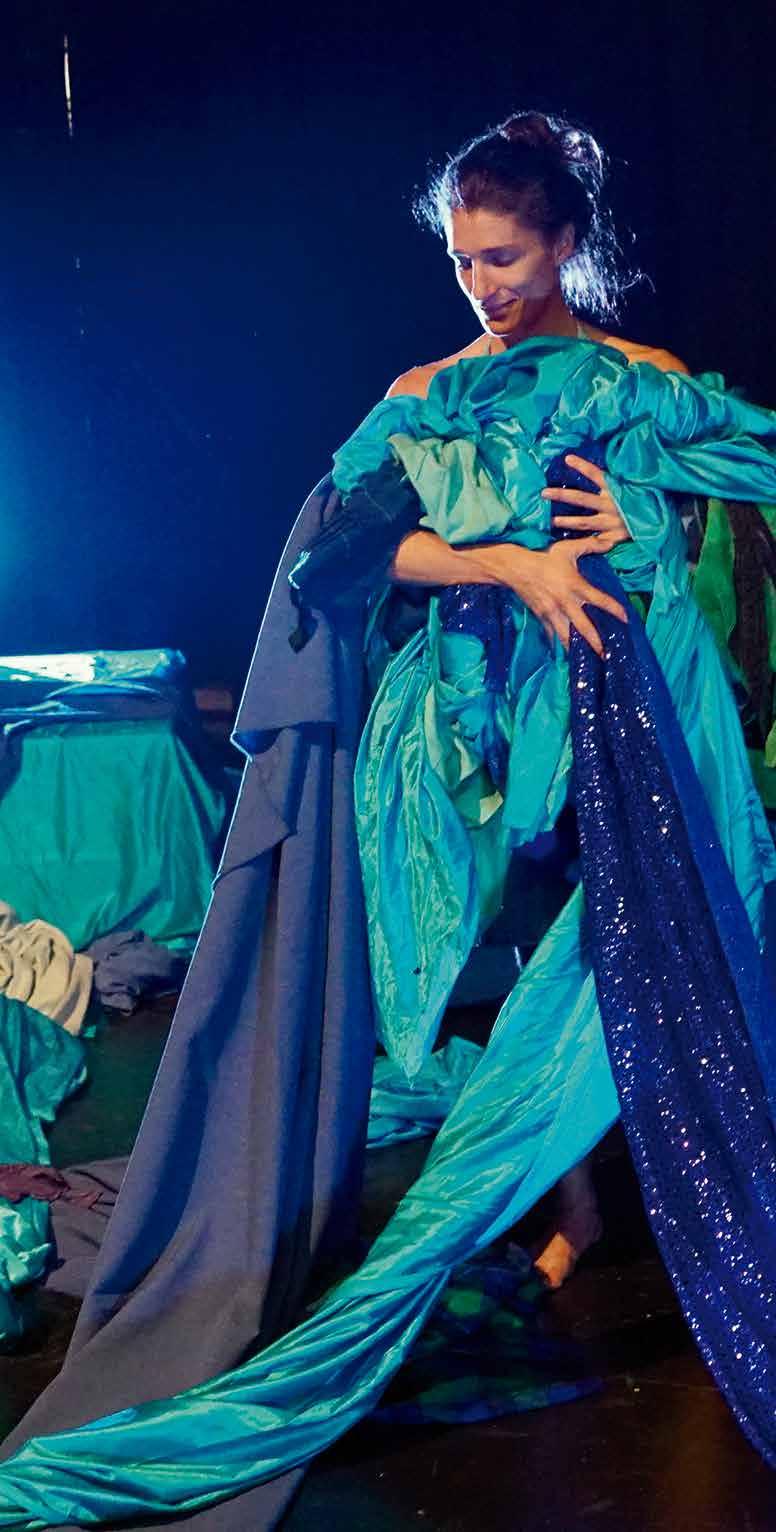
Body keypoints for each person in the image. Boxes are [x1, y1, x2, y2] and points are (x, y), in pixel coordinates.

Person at [0, 109, 775, 1532]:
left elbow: (744, 506)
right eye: (463, 259)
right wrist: (508, 564)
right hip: (466, 738)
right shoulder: (430, 392)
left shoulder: (640, 381)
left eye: (506, 257)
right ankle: (564, 1205)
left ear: (566, 243)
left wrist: (649, 526)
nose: (483, 284)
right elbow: (346, 548)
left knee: (630, 974)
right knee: (506, 978)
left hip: (618, 730)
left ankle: (631, 1214)